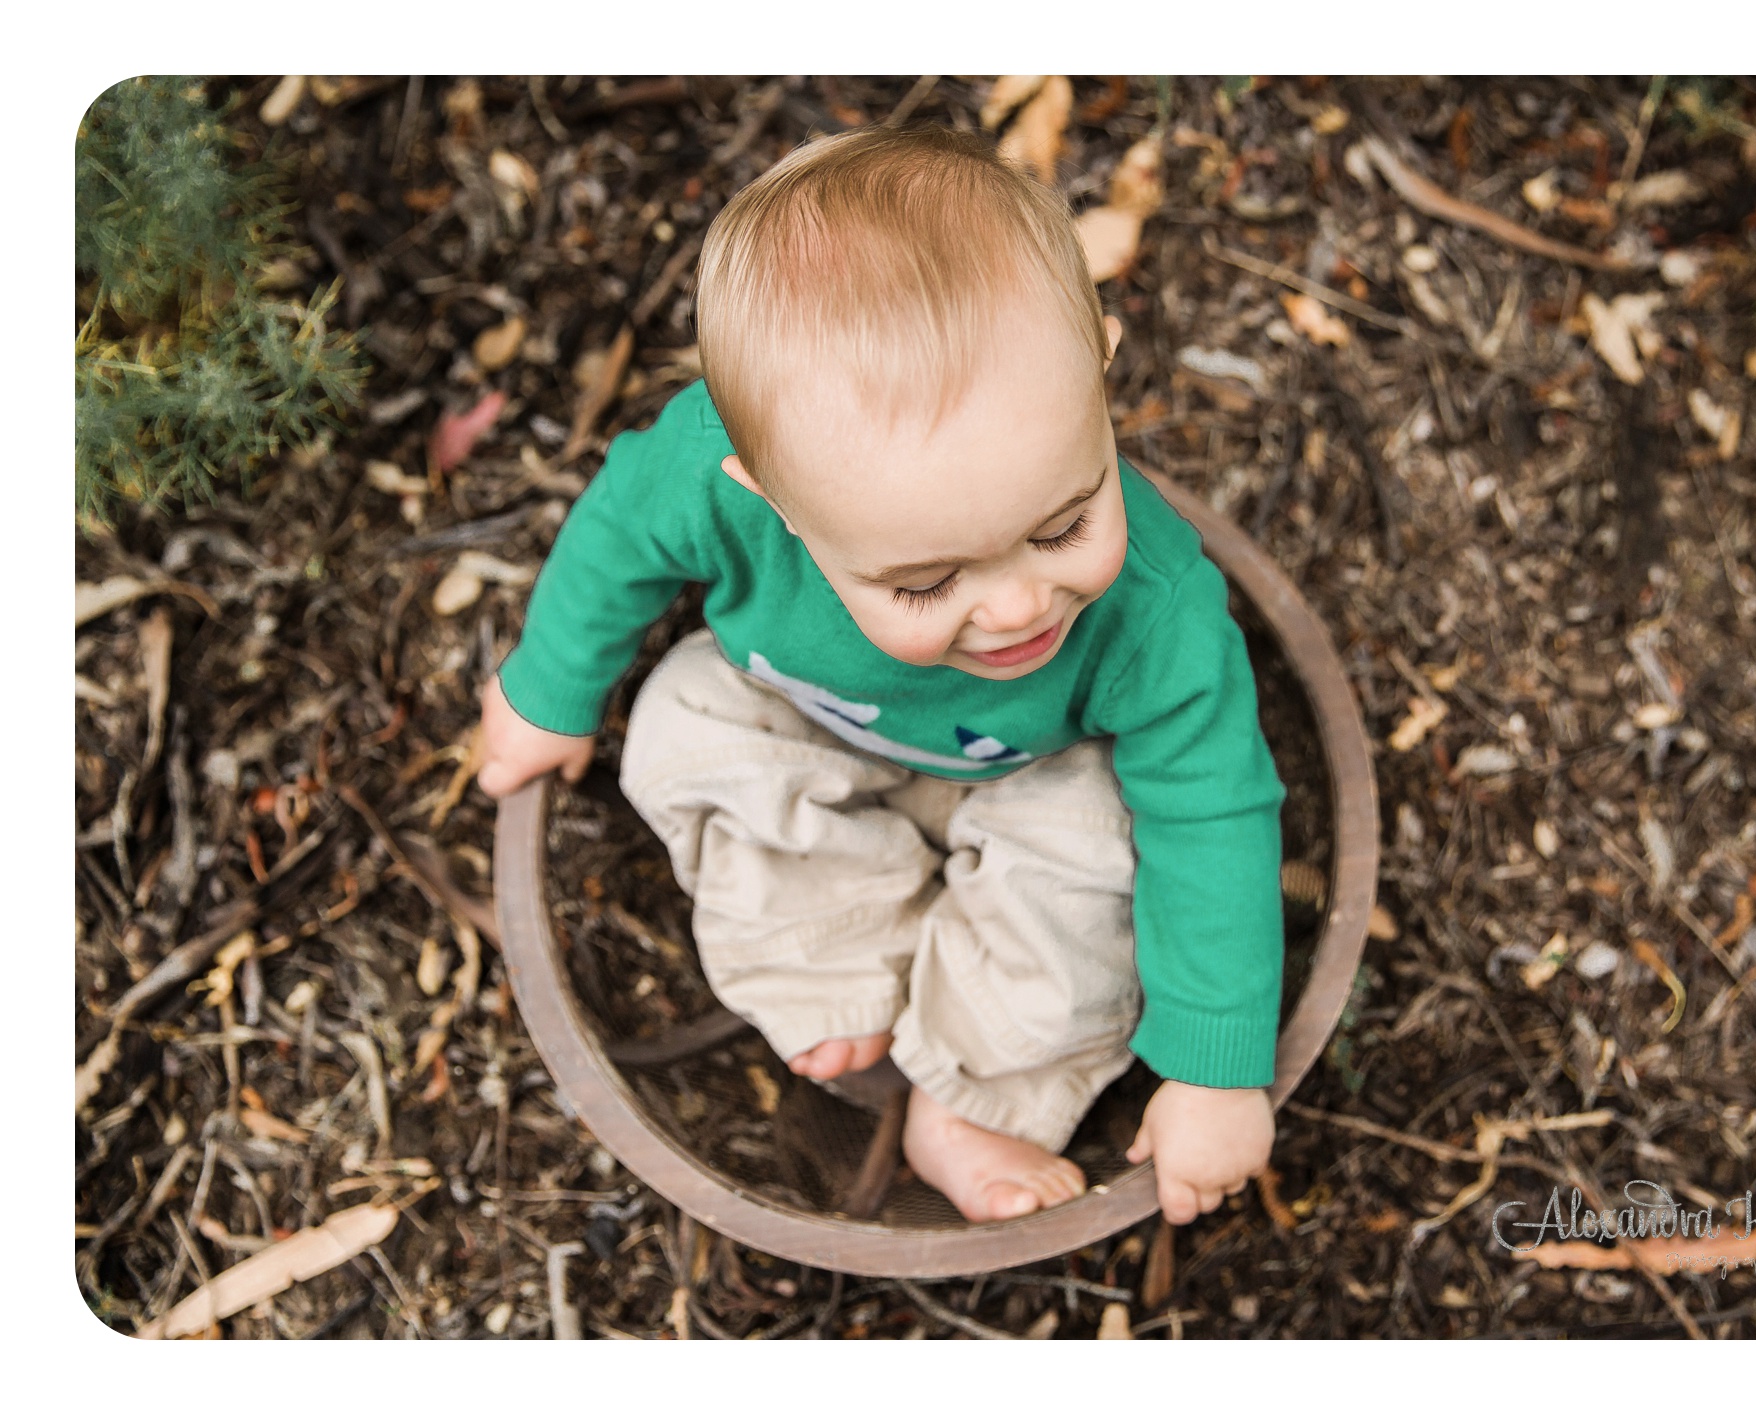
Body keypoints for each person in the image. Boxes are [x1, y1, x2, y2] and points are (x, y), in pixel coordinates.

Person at [474, 125, 1284, 1226]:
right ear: (770, 494)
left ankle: (973, 1091)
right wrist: (550, 685)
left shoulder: (1153, 606)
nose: (1013, 606)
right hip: (812, 723)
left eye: (1061, 524)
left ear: (1098, 356)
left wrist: (1215, 1065)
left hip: (1037, 773)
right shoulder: (711, 481)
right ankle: (836, 954)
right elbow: (618, 531)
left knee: (1108, 846)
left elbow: (1213, 809)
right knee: (682, 718)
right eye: (924, 581)